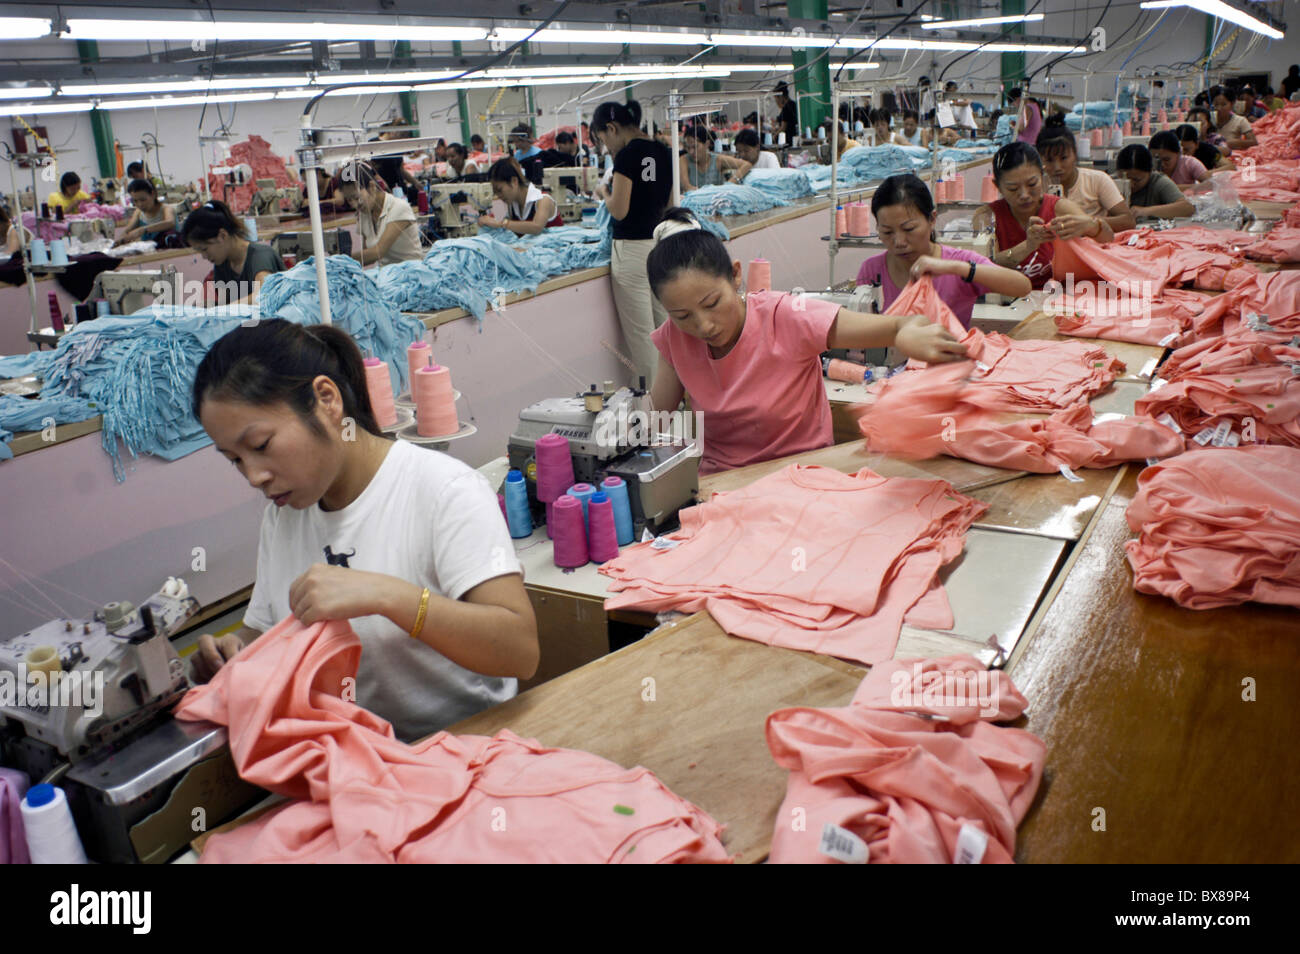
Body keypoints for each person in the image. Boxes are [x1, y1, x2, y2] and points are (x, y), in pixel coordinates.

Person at [189, 318, 538, 741]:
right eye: (235, 460)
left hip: (465, 750)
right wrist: (234, 653)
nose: (253, 476)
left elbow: (520, 651)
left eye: (261, 445)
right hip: (352, 756)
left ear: (326, 399)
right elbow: (266, 630)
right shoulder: (285, 515)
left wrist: (387, 596)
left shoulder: (443, 490)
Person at [644, 209, 966, 477]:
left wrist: (906, 333)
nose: (702, 325)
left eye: (713, 303)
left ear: (735, 275)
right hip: (723, 485)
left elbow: (899, 326)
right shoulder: (674, 338)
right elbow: (653, 421)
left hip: (803, 477)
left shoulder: (787, 316)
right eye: (682, 315)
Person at [856, 175, 1031, 329]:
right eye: (887, 232)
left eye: (909, 229)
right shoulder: (872, 270)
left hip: (948, 363)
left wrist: (956, 269)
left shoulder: (959, 262)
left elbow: (1022, 287)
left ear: (932, 219)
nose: (899, 242)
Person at [590, 98, 673, 383]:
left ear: (612, 128)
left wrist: (604, 192)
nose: (606, 147)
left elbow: (620, 210)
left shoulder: (626, 157)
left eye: (603, 139)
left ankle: (657, 405)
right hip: (660, 246)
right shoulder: (662, 151)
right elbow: (671, 204)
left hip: (632, 252)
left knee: (642, 335)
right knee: (665, 327)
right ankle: (681, 397)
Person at [972, 142, 1113, 290]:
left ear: (1043, 176)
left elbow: (1108, 240)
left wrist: (1092, 225)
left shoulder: (1060, 208)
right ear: (997, 186)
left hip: (1060, 298)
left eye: (1032, 184)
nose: (1024, 195)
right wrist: (1028, 246)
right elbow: (981, 266)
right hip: (1007, 302)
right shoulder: (987, 217)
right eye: (1013, 189)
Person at [182, 199, 284, 305]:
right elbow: (225, 303)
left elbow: (264, 295)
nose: (204, 256)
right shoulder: (222, 263)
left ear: (222, 235)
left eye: (204, 249)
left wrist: (223, 309)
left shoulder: (260, 256)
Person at [1035, 126, 1136, 233]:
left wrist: (1090, 223)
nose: (1057, 167)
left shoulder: (1097, 180)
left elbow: (1128, 221)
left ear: (1075, 154)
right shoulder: (1038, 187)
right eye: (1049, 160)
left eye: (1063, 158)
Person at [335, 161, 422, 266]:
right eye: (349, 200)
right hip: (385, 275)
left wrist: (338, 260)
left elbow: (378, 252)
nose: (354, 205)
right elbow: (366, 256)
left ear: (372, 186)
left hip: (411, 274)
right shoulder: (363, 214)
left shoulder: (398, 207)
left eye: (356, 198)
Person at [478, 157, 562, 234]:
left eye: (500, 190)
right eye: (495, 192)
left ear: (514, 181)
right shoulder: (512, 206)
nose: (498, 196)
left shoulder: (543, 200)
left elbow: (537, 227)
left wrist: (501, 223)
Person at [1116, 144, 1195, 220]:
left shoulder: (1158, 182)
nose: (1131, 185)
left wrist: (1145, 211)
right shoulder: (1110, 182)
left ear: (1150, 172)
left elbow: (1187, 208)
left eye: (1137, 180)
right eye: (1125, 180)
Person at [679, 125, 752, 191]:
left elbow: (746, 165)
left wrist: (730, 183)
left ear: (707, 144)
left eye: (695, 147)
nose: (691, 151)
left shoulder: (718, 160)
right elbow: (687, 187)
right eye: (688, 148)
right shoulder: (684, 160)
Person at [115, 178, 177, 245]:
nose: (140, 204)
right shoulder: (138, 213)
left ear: (153, 194)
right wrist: (122, 238)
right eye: (135, 201)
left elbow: (170, 222)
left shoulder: (166, 209)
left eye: (143, 200)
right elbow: (127, 230)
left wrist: (143, 230)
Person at [1208, 86, 1257, 151]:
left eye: (1223, 104)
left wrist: (1235, 143)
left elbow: (1253, 142)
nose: (1219, 108)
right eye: (1216, 104)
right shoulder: (1209, 118)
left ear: (1232, 103)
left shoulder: (1240, 121)